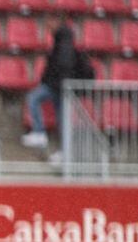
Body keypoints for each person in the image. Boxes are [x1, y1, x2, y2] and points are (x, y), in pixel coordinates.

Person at [22, 22, 96, 152]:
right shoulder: (73, 51)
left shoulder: (59, 50)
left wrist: (47, 81)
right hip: (64, 90)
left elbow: (53, 70)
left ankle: (40, 133)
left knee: (33, 98)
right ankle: (64, 150)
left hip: (55, 87)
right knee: (62, 120)